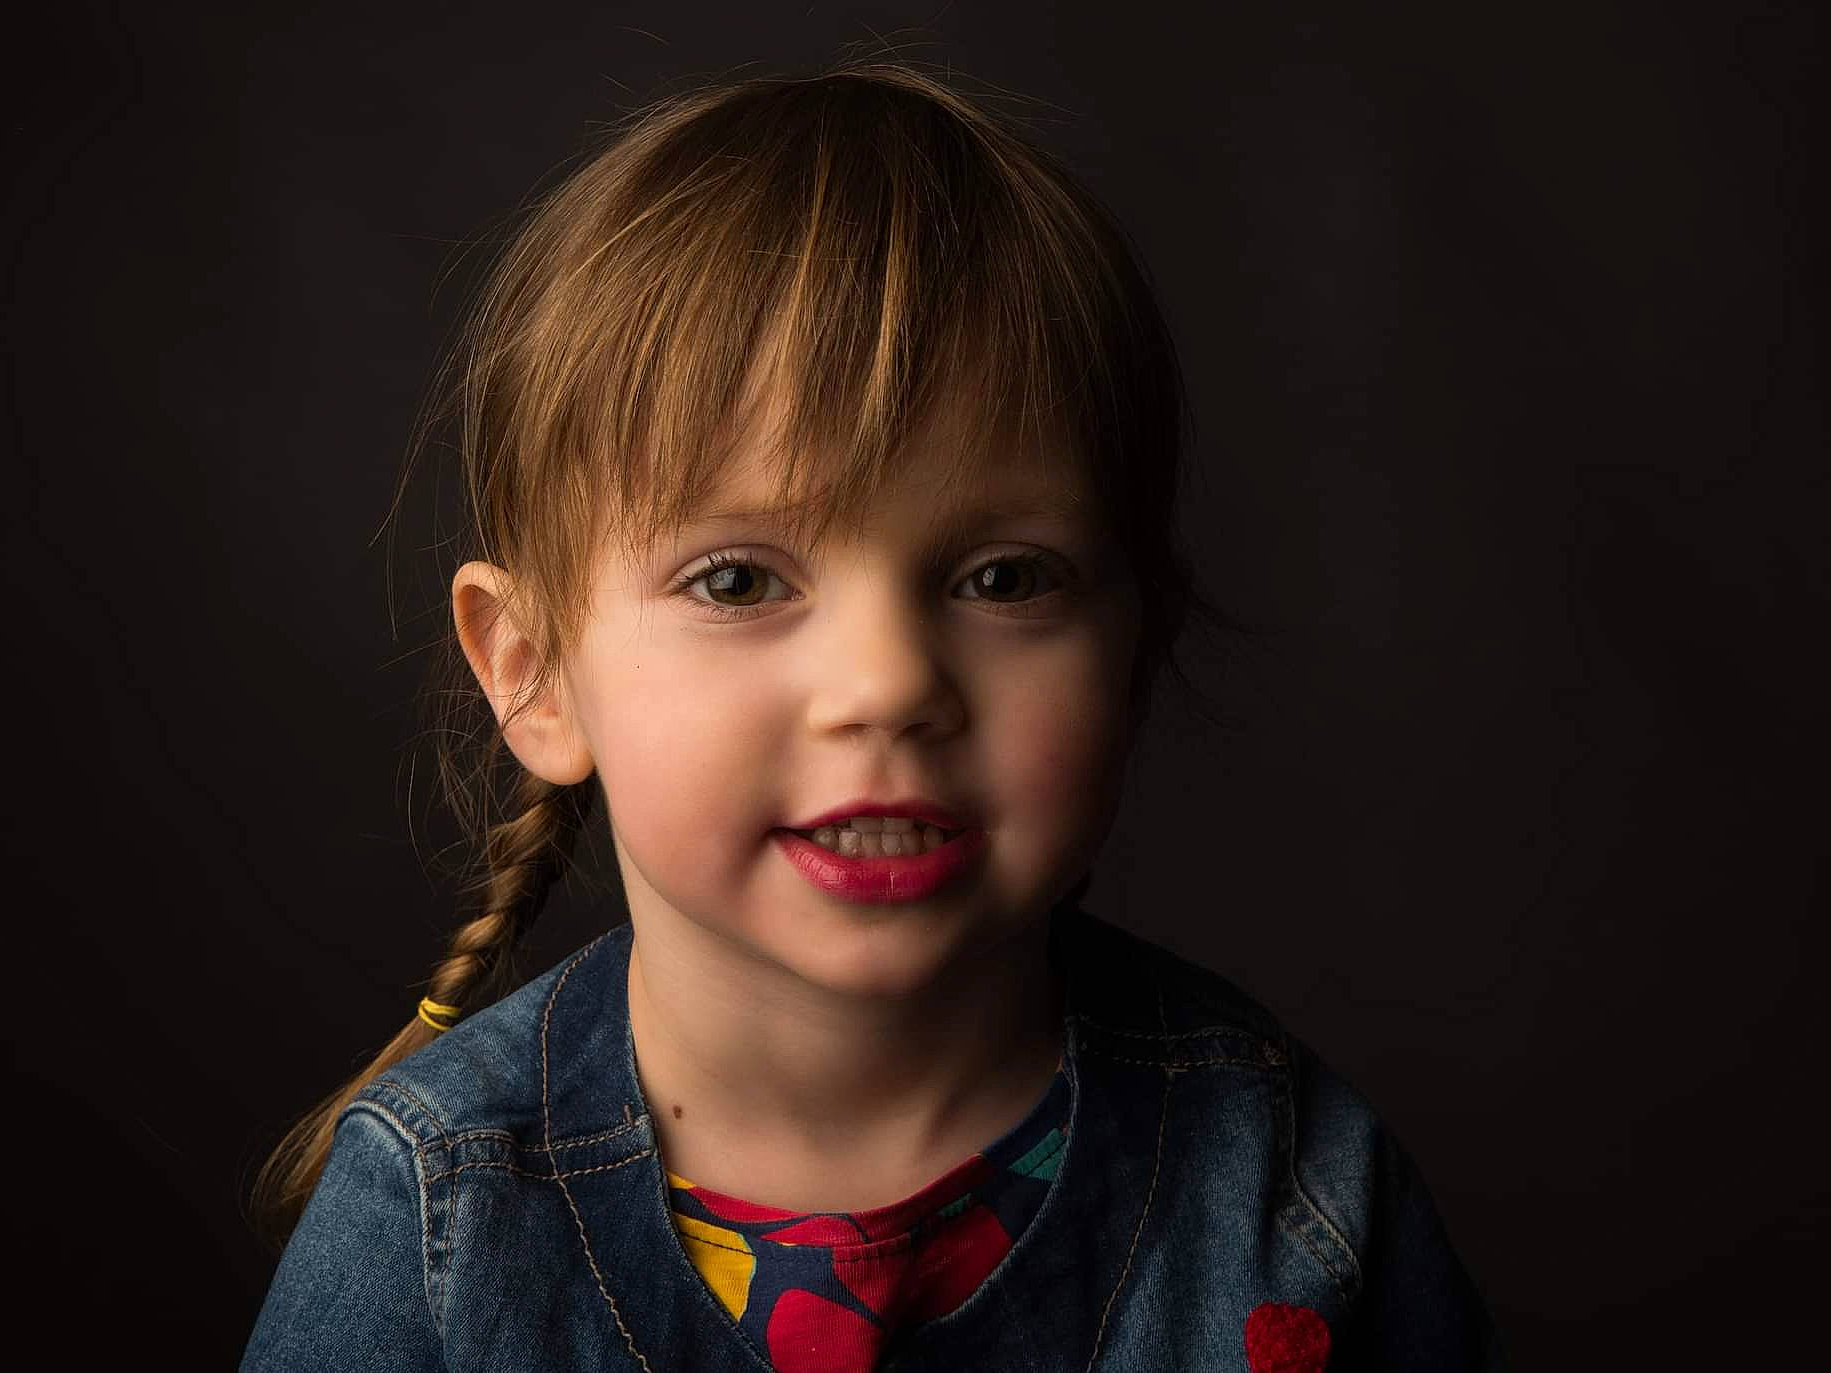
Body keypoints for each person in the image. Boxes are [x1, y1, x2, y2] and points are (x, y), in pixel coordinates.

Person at [241, 59, 1504, 1371]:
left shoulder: (1288, 1182)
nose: (891, 681)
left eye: (1002, 577)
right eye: (738, 578)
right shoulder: (442, 1217)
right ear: (534, 674)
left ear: (1136, 646)